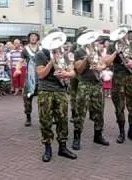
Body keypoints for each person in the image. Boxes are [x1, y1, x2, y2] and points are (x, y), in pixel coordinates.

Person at [36, 28, 77, 162]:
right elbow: (41, 74)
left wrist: (66, 74)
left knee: (62, 120)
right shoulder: (41, 54)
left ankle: (62, 147)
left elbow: (73, 73)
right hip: (45, 91)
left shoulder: (64, 54)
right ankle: (47, 148)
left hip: (60, 91)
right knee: (45, 120)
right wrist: (51, 62)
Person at [104, 27, 132, 144]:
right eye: (120, 34)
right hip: (118, 79)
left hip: (131, 78)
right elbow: (106, 62)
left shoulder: (131, 45)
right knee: (119, 107)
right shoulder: (112, 45)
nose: (122, 36)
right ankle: (121, 132)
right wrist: (116, 52)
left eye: (124, 34)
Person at [72, 28, 109, 151]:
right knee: (80, 111)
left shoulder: (96, 50)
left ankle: (98, 135)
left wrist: (101, 67)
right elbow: (79, 69)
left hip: (96, 84)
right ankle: (77, 138)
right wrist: (86, 59)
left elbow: (103, 63)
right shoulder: (78, 51)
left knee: (99, 111)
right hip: (85, 84)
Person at [14, 31, 41, 126]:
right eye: (31, 36)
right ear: (29, 38)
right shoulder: (25, 50)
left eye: (35, 36)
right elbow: (20, 61)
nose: (33, 38)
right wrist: (17, 69)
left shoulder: (42, 48)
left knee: (43, 99)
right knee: (27, 98)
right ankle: (28, 117)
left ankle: (43, 117)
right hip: (30, 78)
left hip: (41, 77)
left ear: (37, 38)